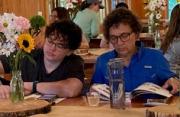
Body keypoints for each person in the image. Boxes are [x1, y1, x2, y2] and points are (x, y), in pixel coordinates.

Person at [91, 8, 180, 96]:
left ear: (136, 35)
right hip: (114, 109)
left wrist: (173, 80)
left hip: (149, 109)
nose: (119, 42)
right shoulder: (103, 61)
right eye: (113, 38)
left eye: (124, 36)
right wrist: (93, 90)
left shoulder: (155, 57)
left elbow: (172, 82)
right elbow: (95, 90)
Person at [0, 20, 85, 98]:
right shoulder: (28, 55)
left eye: (60, 45)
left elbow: (72, 89)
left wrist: (33, 86)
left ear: (70, 51)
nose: (52, 48)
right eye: (50, 41)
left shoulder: (74, 62)